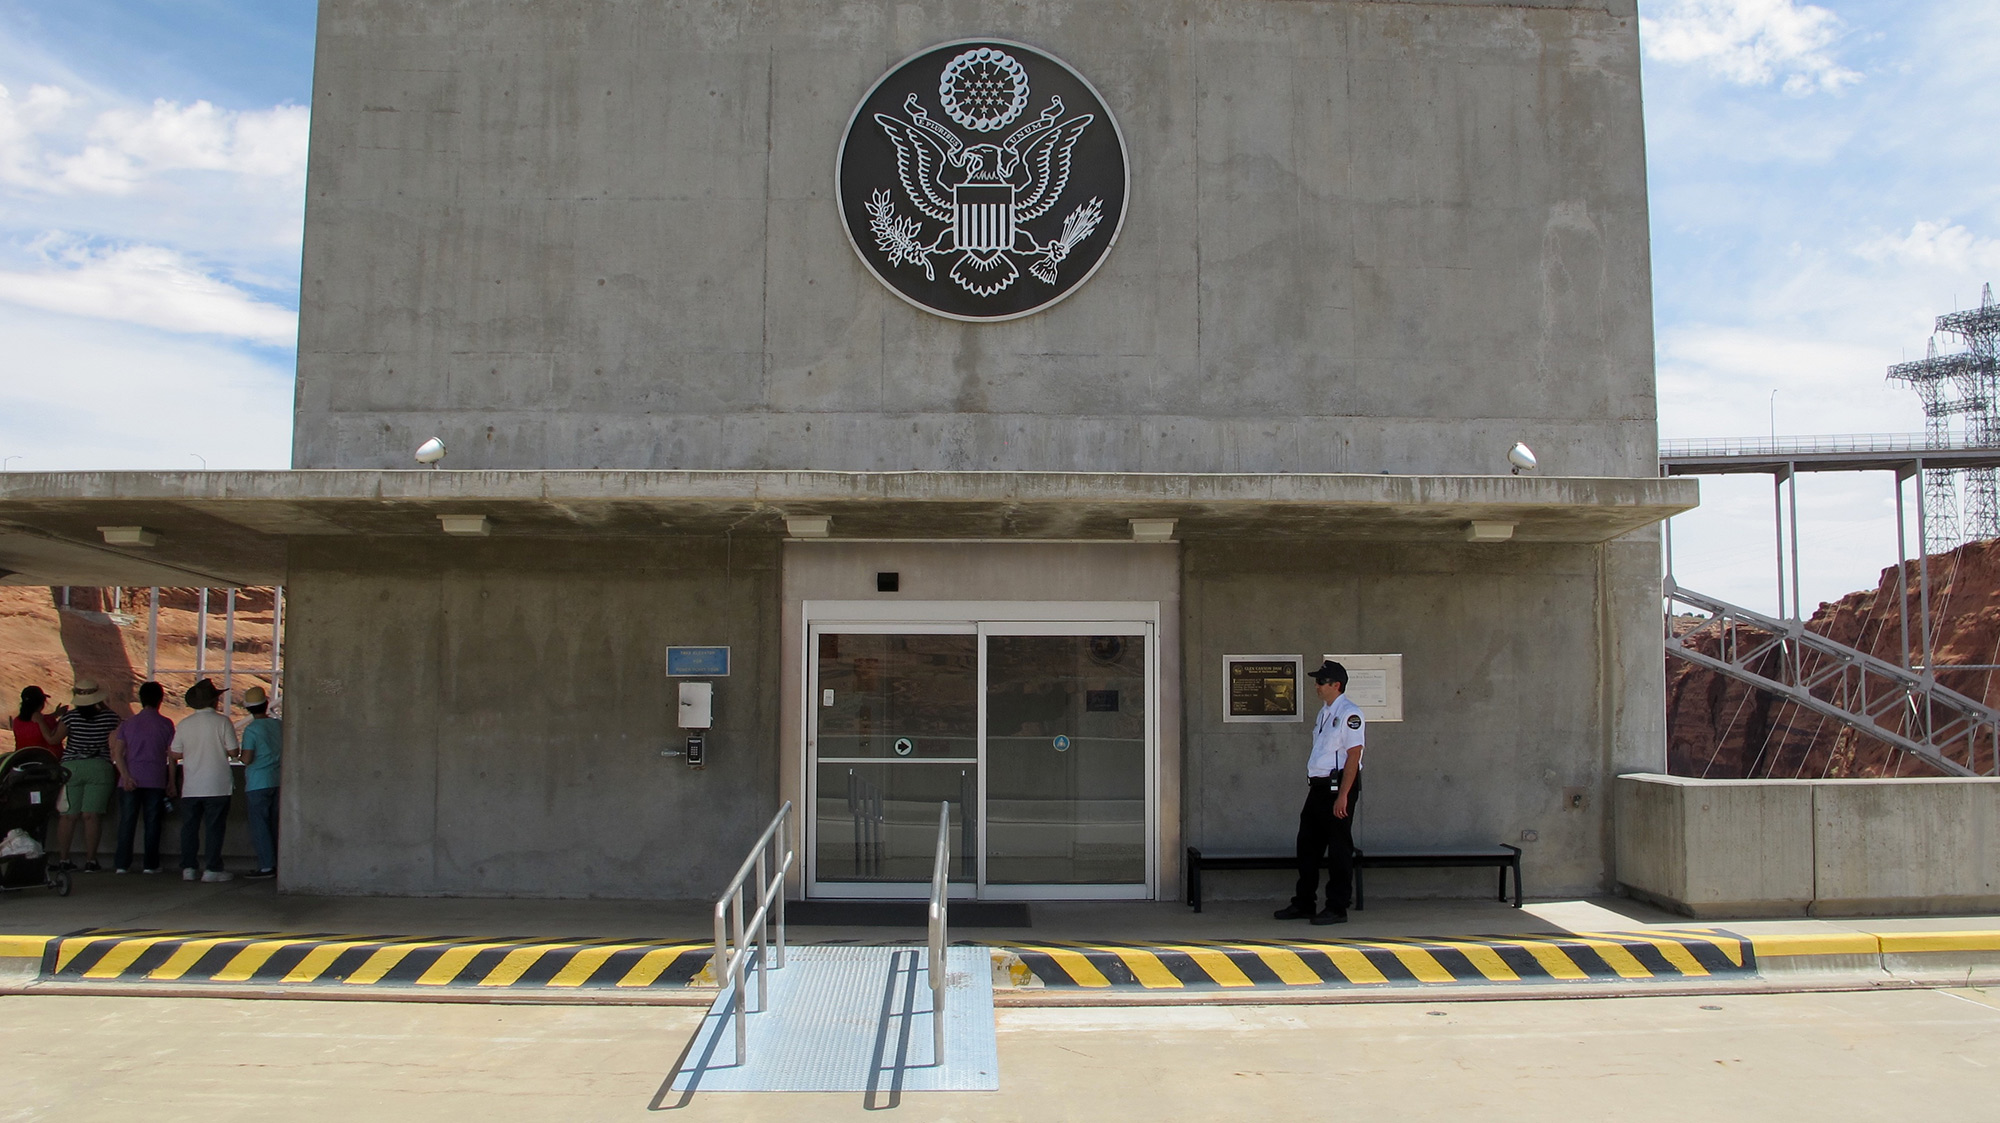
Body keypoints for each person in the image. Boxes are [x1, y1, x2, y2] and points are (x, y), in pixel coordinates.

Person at [1274, 660, 1365, 925]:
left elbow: (1353, 756)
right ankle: (1304, 902)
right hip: (1318, 787)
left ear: (1336, 685)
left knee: (1338, 849)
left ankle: (1337, 907)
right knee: (1307, 846)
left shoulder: (1350, 713)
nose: (1316, 686)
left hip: (1337, 788)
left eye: (1321, 682)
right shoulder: (1325, 712)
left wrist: (1343, 796)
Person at [169, 678, 237, 882]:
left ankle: (188, 867)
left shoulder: (184, 724)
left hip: (191, 786)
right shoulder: (223, 721)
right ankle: (212, 869)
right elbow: (233, 751)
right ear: (215, 701)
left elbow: (175, 754)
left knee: (189, 828)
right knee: (214, 828)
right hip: (218, 785)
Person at [55, 678, 121, 872]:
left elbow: (55, 738)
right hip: (99, 767)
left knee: (68, 815)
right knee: (91, 816)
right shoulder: (110, 717)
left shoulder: (69, 718)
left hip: (71, 768)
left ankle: (63, 860)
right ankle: (91, 861)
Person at [110, 681, 176, 874]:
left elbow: (118, 753)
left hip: (130, 780)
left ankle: (122, 864)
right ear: (160, 700)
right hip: (155, 779)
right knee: (153, 823)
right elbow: (172, 756)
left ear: (140, 699)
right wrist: (171, 782)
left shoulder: (128, 724)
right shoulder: (166, 724)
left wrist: (126, 776)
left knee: (127, 822)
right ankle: (151, 864)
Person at [237, 685, 281, 879]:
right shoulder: (278, 725)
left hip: (257, 782)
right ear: (266, 704)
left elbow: (247, 759)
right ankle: (279, 862)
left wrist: (236, 755)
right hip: (278, 780)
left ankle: (266, 866)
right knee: (274, 824)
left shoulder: (251, 730)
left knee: (259, 825)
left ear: (248, 709)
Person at [10, 686, 64, 756]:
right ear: (42, 704)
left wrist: (55, 714)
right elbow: (54, 738)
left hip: (22, 758)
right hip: (47, 760)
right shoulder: (46, 721)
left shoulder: (17, 721)